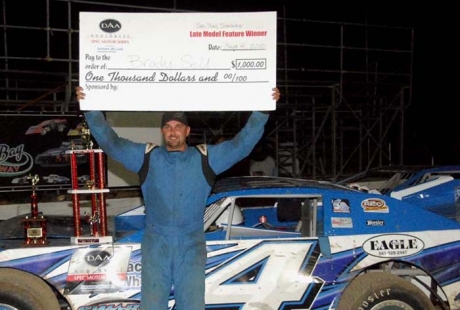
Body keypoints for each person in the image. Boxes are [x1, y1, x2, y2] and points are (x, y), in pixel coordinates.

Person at [75, 86, 280, 310]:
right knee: (152, 305)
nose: (173, 132)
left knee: (191, 305)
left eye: (178, 127)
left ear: (187, 130)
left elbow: (241, 145)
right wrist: (92, 110)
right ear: (162, 131)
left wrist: (261, 112)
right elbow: (111, 143)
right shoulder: (146, 157)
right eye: (168, 127)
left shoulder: (205, 158)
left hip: (191, 242)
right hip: (156, 242)